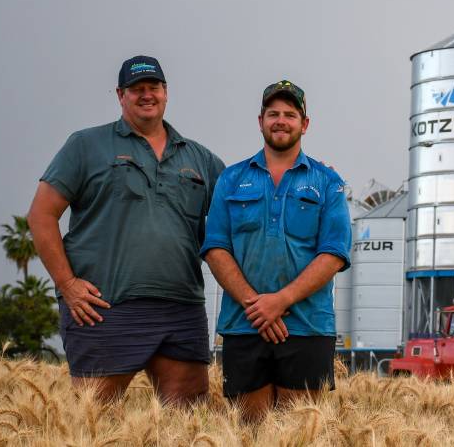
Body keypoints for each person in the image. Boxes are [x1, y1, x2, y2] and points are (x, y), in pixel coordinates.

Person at [27, 55, 225, 405]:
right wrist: (68, 285)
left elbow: (244, 206)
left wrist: (304, 172)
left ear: (166, 93)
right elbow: (41, 215)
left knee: (187, 422)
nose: (146, 95)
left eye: (154, 87)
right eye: (136, 89)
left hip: (181, 308)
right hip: (105, 305)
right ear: (120, 95)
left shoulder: (200, 159)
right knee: (95, 423)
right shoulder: (86, 145)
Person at [201, 80, 351, 423]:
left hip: (307, 327)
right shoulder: (231, 179)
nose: (280, 120)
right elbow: (216, 248)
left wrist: (280, 301)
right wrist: (257, 306)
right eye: (273, 114)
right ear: (260, 121)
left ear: (304, 123)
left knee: (299, 434)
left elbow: (334, 252)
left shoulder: (328, 182)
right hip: (244, 326)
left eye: (289, 114)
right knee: (250, 433)